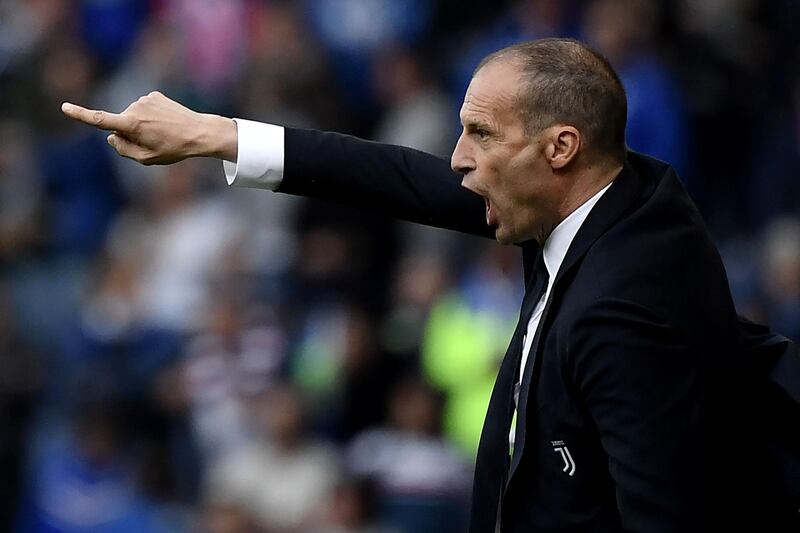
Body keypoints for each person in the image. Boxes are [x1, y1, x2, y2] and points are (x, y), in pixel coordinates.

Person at [62, 38, 797, 532]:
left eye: (479, 133)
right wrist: (215, 134)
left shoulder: (624, 313)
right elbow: (406, 179)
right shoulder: (616, 193)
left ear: (560, 148)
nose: (457, 158)